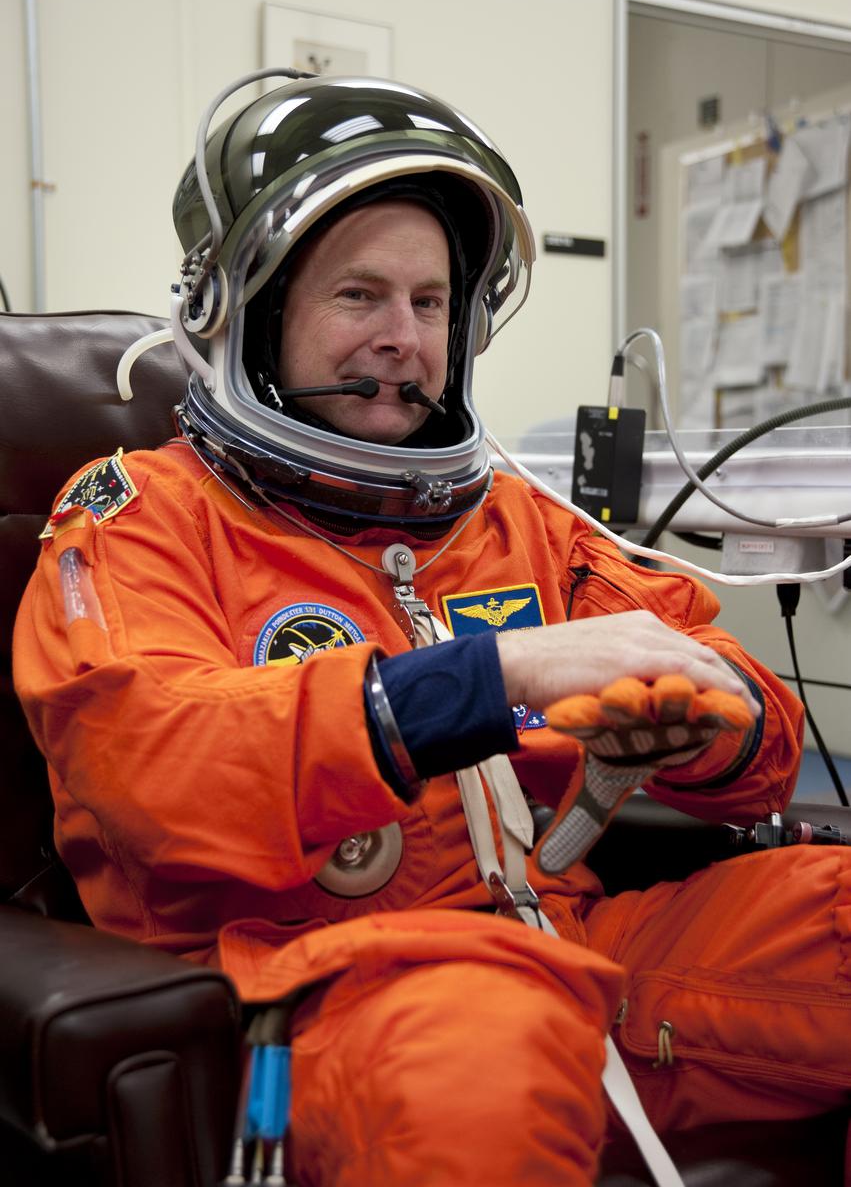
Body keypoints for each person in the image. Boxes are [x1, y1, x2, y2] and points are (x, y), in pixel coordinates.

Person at [12, 71, 851, 1187]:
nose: (403, 337)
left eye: (429, 301)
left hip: (579, 946)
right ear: (248, 309)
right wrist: (484, 676)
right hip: (334, 986)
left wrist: (712, 724)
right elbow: (150, 761)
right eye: (358, 295)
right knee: (485, 1063)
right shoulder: (138, 514)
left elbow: (729, 704)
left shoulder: (518, 521)